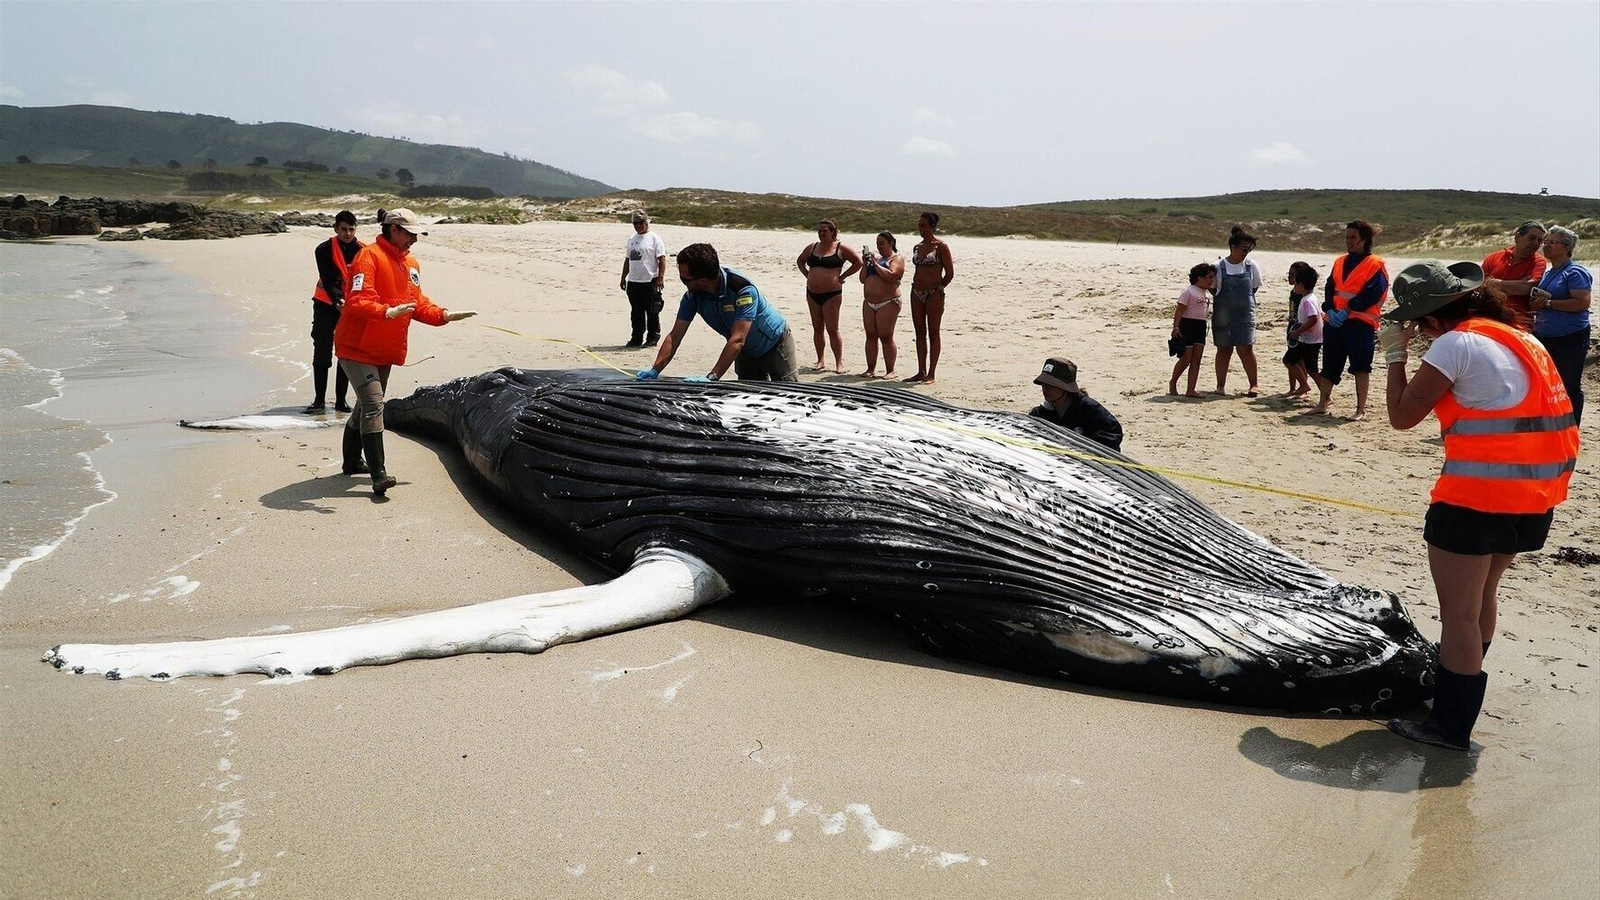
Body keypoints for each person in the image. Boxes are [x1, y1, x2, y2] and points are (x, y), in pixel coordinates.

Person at [1377, 260, 1578, 751]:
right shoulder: (1521, 338)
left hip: (1475, 499)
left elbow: (1402, 416)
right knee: (1483, 598)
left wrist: (1395, 357)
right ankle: (1456, 692)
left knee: (1459, 616)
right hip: (1533, 497)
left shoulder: (1454, 343)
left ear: (1428, 319)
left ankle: (1449, 725)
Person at [334, 209, 476, 494]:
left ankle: (351, 462)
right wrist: (386, 311)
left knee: (365, 406)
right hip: (356, 346)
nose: (414, 239)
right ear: (394, 229)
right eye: (410, 233)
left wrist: (444, 315)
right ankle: (379, 474)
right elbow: (357, 301)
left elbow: (418, 303)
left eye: (416, 235)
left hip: (385, 348)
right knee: (374, 404)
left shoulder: (411, 264)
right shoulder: (368, 257)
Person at [640, 243, 797, 383]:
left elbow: (738, 338)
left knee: (788, 394)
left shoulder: (742, 290)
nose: (683, 282)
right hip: (743, 350)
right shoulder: (692, 296)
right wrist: (655, 370)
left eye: (684, 279)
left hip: (774, 343)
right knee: (750, 397)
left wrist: (712, 376)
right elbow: (675, 336)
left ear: (702, 281)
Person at [1312, 220, 1389, 419]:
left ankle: (1360, 410)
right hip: (1335, 322)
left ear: (1365, 240)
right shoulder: (1339, 262)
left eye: (1353, 237)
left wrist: (1347, 310)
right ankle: (1322, 404)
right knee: (1329, 365)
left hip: (1360, 323)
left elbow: (1372, 294)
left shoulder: (1376, 265)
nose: (1349, 241)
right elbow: (1330, 289)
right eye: (1347, 237)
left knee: (1361, 366)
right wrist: (1329, 308)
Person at [1529, 225, 1591, 424]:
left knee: (1569, 384)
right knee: (1546, 383)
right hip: (1545, 335)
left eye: (1551, 242)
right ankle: (1550, 425)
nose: (1546, 246)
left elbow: (1582, 303)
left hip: (1570, 336)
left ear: (1567, 247)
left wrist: (1548, 303)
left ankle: (1571, 428)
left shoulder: (1574, 272)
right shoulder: (1550, 272)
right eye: (1545, 242)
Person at [305, 210, 363, 414]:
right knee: (322, 348)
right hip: (325, 303)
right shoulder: (323, 249)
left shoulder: (363, 250)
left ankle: (341, 401)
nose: (348, 233)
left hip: (351, 306)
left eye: (351, 229)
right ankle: (319, 401)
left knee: (345, 352)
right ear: (336, 229)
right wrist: (338, 300)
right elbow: (329, 279)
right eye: (344, 229)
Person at [796, 219, 863, 373]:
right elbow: (800, 261)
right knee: (817, 327)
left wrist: (843, 276)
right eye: (819, 230)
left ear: (833, 231)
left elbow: (858, 262)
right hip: (812, 293)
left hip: (832, 294)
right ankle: (820, 360)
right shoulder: (812, 247)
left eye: (825, 230)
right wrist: (808, 275)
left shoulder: (840, 247)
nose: (821, 233)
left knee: (833, 329)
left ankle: (839, 363)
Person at [1209, 226, 1263, 396]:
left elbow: (1253, 289)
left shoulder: (1251, 265)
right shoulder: (1218, 266)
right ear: (1233, 247)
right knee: (1224, 349)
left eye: (1249, 249)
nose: (1246, 252)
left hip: (1245, 315)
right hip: (1223, 315)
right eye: (1244, 249)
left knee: (1246, 349)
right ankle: (1220, 386)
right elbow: (1213, 290)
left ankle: (1254, 384)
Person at [1029, 357, 1123, 452]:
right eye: (1044, 383)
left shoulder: (1089, 409)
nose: (1046, 389)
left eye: (1052, 385)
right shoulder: (1040, 413)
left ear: (1065, 388)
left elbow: (1113, 435)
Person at [907, 211, 954, 384]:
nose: (921, 229)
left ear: (932, 227)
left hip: (933, 293)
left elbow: (949, 273)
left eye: (924, 226)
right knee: (919, 332)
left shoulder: (940, 247)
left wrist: (939, 289)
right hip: (916, 292)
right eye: (919, 225)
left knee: (933, 332)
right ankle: (921, 370)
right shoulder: (917, 247)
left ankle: (931, 373)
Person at [1480, 220, 1547, 323]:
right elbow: (1479, 286)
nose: (1535, 243)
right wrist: (1515, 285)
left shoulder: (1539, 262)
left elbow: (1526, 288)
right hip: (1488, 317)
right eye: (1531, 238)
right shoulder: (1493, 258)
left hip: (1519, 322)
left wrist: (1493, 283)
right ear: (1517, 237)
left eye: (1539, 240)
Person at [619, 210, 668, 348]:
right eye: (635, 223)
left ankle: (653, 337)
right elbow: (628, 260)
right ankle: (636, 337)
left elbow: (662, 259)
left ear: (646, 223)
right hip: (634, 281)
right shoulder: (632, 239)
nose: (638, 225)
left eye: (641, 223)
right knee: (636, 312)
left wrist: (660, 278)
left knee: (652, 311)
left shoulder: (654, 238)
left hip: (650, 280)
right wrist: (623, 278)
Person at [859, 231, 904, 378]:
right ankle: (870, 368)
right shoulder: (875, 259)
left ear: (891, 243)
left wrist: (876, 264)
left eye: (882, 243)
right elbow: (862, 278)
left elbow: (891, 276)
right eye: (877, 243)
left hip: (888, 302)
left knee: (886, 336)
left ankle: (890, 370)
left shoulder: (896, 259)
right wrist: (866, 264)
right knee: (870, 335)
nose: (879, 246)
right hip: (870, 302)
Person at [1169, 263, 1212, 397]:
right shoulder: (1188, 291)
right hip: (1187, 325)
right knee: (1186, 358)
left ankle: (1191, 389)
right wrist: (1176, 327)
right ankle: (1173, 382)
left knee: (1197, 359)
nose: (1212, 280)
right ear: (1200, 277)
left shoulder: (1206, 293)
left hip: (1200, 326)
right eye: (1209, 277)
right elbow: (1179, 310)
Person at [1282, 262, 1323, 397]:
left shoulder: (1307, 299)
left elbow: (1313, 318)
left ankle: (1308, 388)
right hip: (1299, 334)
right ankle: (1297, 387)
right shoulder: (1302, 296)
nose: (1291, 280)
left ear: (1300, 283)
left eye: (1293, 277)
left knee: (1309, 367)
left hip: (1307, 337)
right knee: (1291, 359)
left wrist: (1298, 331)